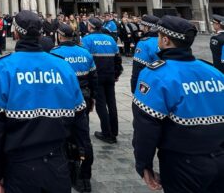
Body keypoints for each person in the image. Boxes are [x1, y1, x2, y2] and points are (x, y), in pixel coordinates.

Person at [0, 10, 89, 193]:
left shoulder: (3, 67)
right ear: (41, 33)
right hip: (58, 163)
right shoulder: (63, 66)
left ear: (15, 33)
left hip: (18, 165)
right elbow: (81, 122)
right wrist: (85, 163)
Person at [132, 16, 224, 192]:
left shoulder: (156, 75)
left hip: (183, 163)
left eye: (159, 35)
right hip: (219, 157)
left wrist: (144, 165)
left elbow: (146, 127)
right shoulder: (213, 72)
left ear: (165, 40)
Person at [51, 23, 97, 193]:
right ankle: (84, 178)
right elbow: (94, 79)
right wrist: (92, 98)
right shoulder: (84, 52)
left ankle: (68, 171)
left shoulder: (54, 53)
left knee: (63, 137)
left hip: (62, 101)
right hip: (82, 97)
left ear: (60, 36)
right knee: (84, 138)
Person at [82, 17, 122, 144]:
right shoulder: (110, 39)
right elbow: (118, 59)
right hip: (110, 75)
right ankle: (114, 131)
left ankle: (106, 133)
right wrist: (116, 74)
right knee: (112, 103)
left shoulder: (87, 39)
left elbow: (85, 60)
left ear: (90, 26)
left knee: (101, 105)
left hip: (97, 77)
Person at [130, 14, 160, 93]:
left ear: (147, 27)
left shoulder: (144, 43)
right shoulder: (165, 40)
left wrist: (134, 87)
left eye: (143, 26)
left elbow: (138, 67)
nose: (141, 28)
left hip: (149, 83)